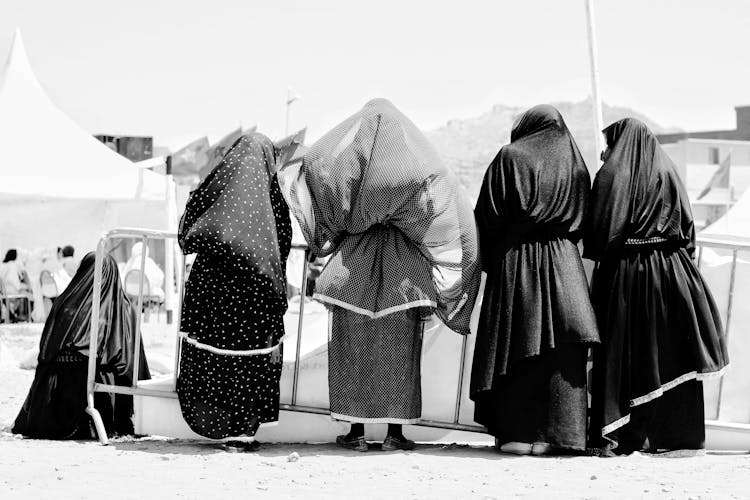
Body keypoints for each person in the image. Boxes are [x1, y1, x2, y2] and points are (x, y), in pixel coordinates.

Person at [278, 98, 480, 452]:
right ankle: (394, 435)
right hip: (404, 278)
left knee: (350, 352)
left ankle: (355, 432)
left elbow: (322, 186)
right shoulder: (413, 177)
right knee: (400, 355)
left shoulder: (350, 182)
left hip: (351, 273)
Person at [585, 118, 729, 455]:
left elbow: (599, 234)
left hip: (627, 276)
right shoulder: (669, 171)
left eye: (609, 144)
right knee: (670, 352)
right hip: (673, 273)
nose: (606, 152)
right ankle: (677, 440)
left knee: (628, 353)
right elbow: (688, 229)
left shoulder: (611, 175)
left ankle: (626, 439)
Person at [469, 105, 599, 456]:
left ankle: (517, 434)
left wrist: (499, 255)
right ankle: (558, 436)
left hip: (517, 262)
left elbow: (487, 216)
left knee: (518, 343)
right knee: (561, 348)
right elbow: (587, 219)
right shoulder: (575, 165)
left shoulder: (509, 157)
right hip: (564, 263)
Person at [177, 132, 293, 452]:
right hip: (257, 293)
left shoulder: (219, 186)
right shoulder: (272, 195)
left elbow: (189, 222)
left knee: (216, 357)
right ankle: (244, 430)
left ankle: (218, 422)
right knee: (251, 362)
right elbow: (282, 239)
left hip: (214, 290)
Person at [12, 252, 150, 439]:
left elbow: (46, 352)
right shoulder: (122, 309)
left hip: (57, 391)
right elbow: (130, 362)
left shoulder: (63, 302)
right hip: (100, 389)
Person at [0, 249, 33, 322]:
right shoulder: (12, 265)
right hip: (12, 292)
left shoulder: (3, 266)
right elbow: (17, 285)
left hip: (4, 292)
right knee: (30, 294)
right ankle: (26, 316)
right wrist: (27, 286)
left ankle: (14, 314)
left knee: (26, 292)